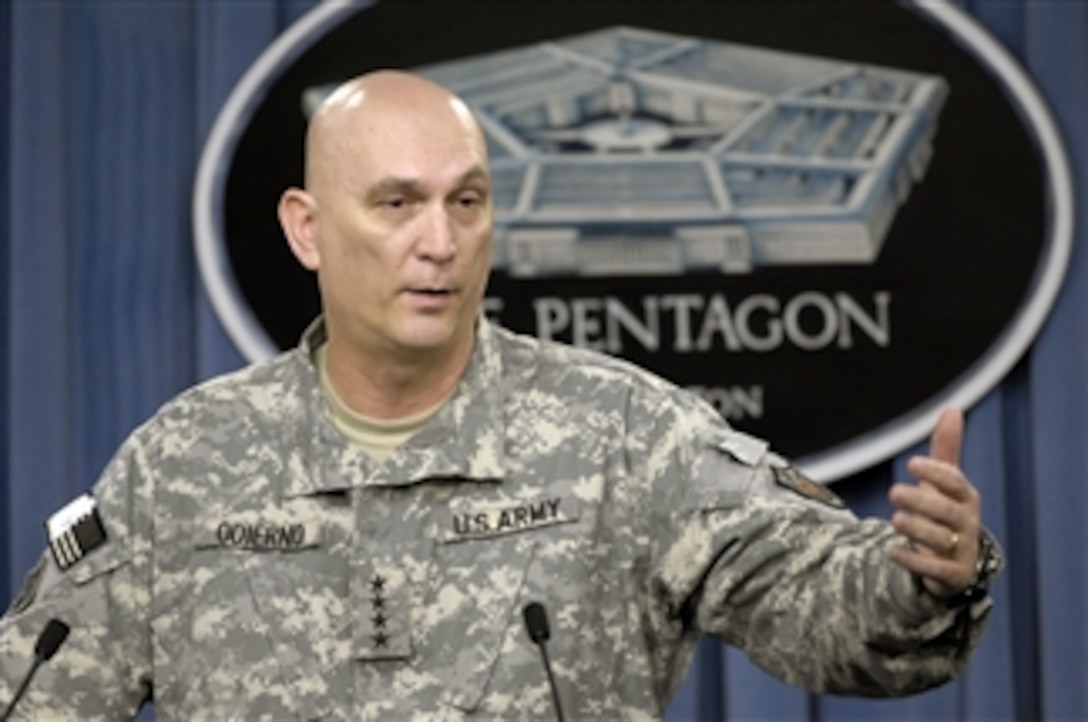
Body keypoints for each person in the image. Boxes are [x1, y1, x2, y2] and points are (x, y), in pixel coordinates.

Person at [0, 70, 1002, 721]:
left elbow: (822, 604)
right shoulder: (180, 461)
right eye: (395, 203)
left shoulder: (621, 431)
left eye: (465, 202)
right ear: (306, 229)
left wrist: (920, 577)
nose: (438, 241)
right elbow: (34, 687)